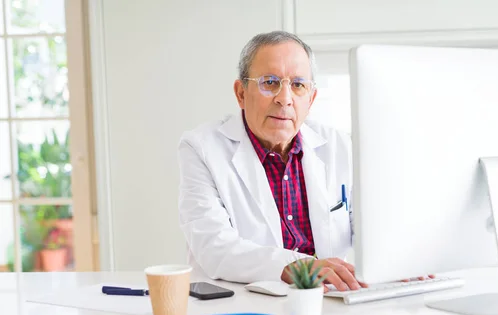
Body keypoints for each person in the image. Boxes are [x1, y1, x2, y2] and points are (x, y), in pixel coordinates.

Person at [178, 31, 429, 292]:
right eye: (270, 82)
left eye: (298, 85)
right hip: (241, 304)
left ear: (311, 99)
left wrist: (400, 260)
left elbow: (369, 227)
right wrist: (299, 266)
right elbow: (214, 248)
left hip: (329, 303)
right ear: (241, 93)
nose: (284, 98)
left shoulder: (339, 145)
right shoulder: (201, 148)